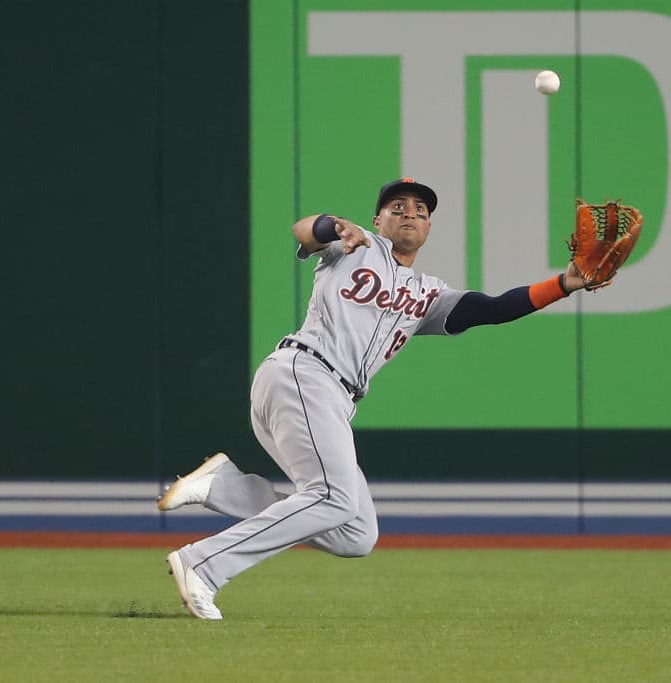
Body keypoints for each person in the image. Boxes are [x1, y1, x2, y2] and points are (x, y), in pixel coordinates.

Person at [159, 177, 587, 620]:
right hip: (304, 373)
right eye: (398, 206)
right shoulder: (356, 247)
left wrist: (565, 282)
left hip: (327, 399)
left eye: (421, 210)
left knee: (354, 534)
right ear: (378, 219)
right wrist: (333, 226)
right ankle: (203, 565)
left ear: (428, 228)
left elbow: (493, 308)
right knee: (335, 499)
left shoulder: (427, 295)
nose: (410, 213)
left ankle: (224, 488)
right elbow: (304, 230)